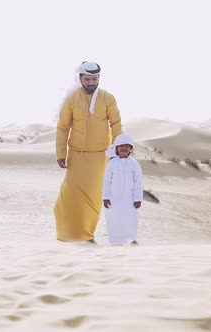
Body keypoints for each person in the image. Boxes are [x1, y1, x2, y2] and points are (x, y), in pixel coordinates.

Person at [54, 61, 123, 243]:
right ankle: (68, 234)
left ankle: (86, 235)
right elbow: (63, 127)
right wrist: (61, 153)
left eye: (94, 79)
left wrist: (117, 149)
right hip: (76, 155)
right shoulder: (71, 99)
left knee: (92, 199)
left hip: (100, 157)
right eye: (87, 79)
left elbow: (116, 124)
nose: (91, 83)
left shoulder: (108, 98)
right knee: (69, 196)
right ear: (80, 79)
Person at [102, 134, 143, 245]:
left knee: (130, 219)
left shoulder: (134, 164)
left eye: (126, 146)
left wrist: (138, 198)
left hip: (130, 199)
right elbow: (106, 181)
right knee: (114, 219)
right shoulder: (112, 163)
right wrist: (105, 197)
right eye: (121, 146)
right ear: (116, 148)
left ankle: (132, 239)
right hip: (114, 198)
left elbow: (138, 182)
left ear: (130, 149)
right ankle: (116, 241)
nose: (124, 148)